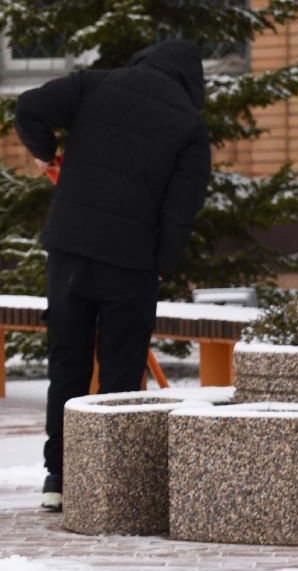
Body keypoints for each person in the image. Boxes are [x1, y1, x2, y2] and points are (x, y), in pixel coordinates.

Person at [14, 38, 212, 513]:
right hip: (130, 262)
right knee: (121, 371)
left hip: (69, 250)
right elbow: (182, 209)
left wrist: (45, 153)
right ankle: (109, 480)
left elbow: (29, 107)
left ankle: (58, 476)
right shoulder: (188, 125)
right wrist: (159, 268)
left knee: (68, 363)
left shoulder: (96, 84)